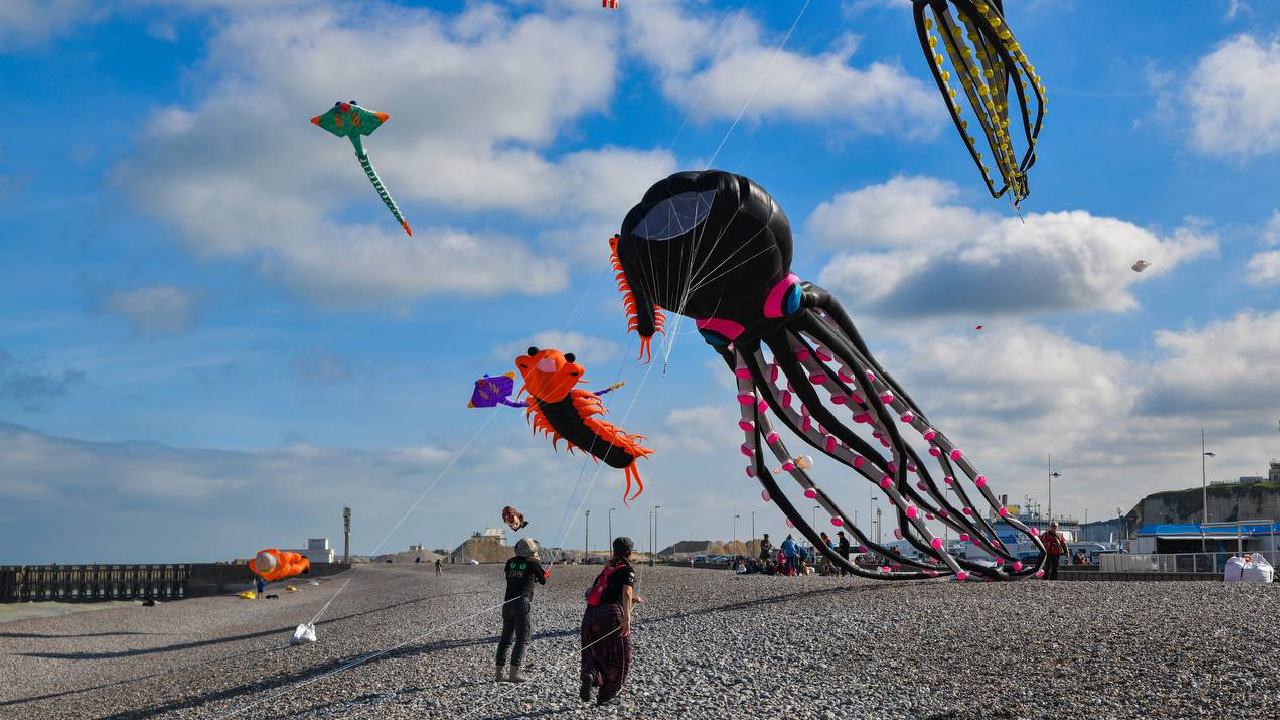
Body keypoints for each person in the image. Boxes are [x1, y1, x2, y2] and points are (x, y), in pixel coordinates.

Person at [580, 536, 641, 706]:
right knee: (621, 656)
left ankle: (589, 675)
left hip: (590, 615)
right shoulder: (627, 570)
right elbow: (625, 593)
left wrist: (634, 598)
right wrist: (627, 619)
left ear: (614, 551)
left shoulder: (607, 569)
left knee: (594, 651)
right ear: (629, 553)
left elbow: (606, 591)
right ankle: (605, 696)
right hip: (611, 615)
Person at [495, 538, 547, 683]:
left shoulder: (509, 562)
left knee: (505, 638)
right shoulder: (533, 562)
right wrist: (540, 574)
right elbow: (543, 581)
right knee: (522, 638)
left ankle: (499, 674)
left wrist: (533, 576)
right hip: (522, 603)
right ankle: (513, 674)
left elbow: (515, 577)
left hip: (507, 603)